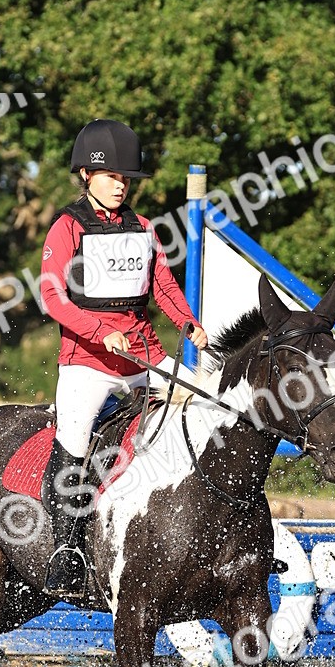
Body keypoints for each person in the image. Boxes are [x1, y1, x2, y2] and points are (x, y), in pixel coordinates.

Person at [39, 118, 208, 598]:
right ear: (86, 176)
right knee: (72, 441)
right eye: (112, 176)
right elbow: (53, 296)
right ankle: (66, 551)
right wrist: (98, 332)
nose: (121, 185)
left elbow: (163, 285)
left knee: (204, 410)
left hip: (144, 356)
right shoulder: (67, 227)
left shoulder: (143, 227)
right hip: (87, 362)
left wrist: (188, 324)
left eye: (125, 178)